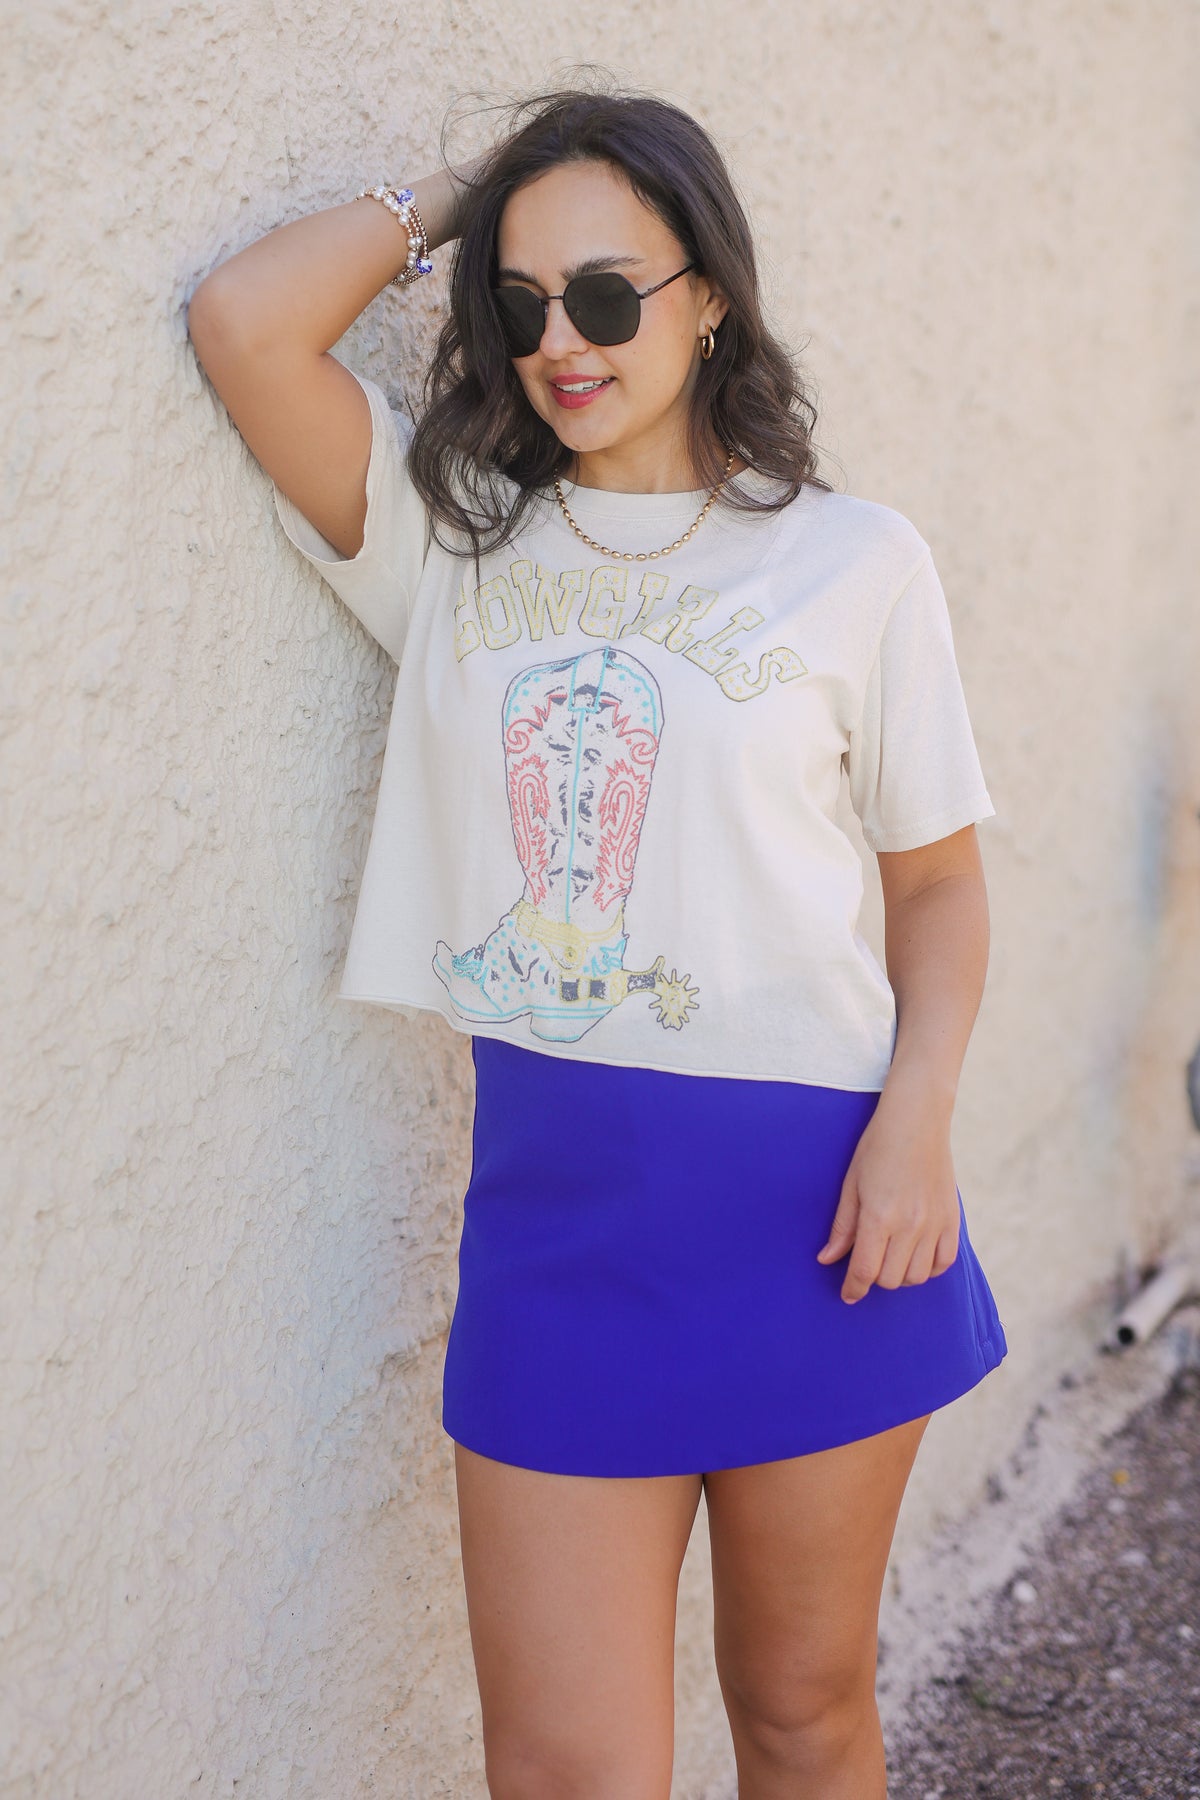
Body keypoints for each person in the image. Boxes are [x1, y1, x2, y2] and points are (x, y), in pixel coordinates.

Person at [187, 77, 1007, 1800]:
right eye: (525, 298)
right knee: (568, 1771)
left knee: (802, 1716)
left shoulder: (854, 565)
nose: (566, 340)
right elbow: (248, 327)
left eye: (614, 294)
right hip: (559, 1229)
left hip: (826, 1212)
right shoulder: (458, 556)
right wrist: (459, 196)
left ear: (708, 296)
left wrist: (920, 1120)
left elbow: (934, 884)